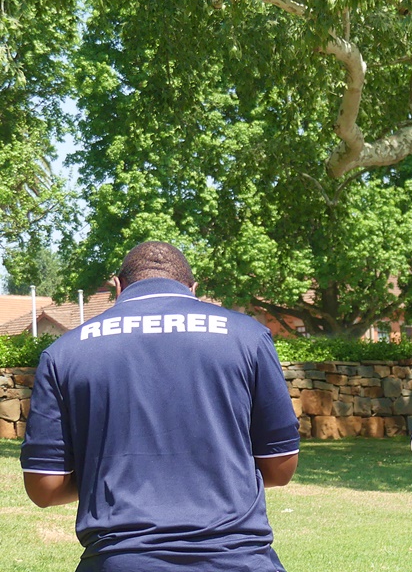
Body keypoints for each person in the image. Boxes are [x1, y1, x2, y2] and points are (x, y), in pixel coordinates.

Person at [21, 241, 300, 571]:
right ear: (193, 288)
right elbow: (280, 467)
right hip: (238, 559)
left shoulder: (64, 353)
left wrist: (110, 477)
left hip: (121, 559)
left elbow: (44, 487)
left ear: (117, 286)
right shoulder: (249, 337)